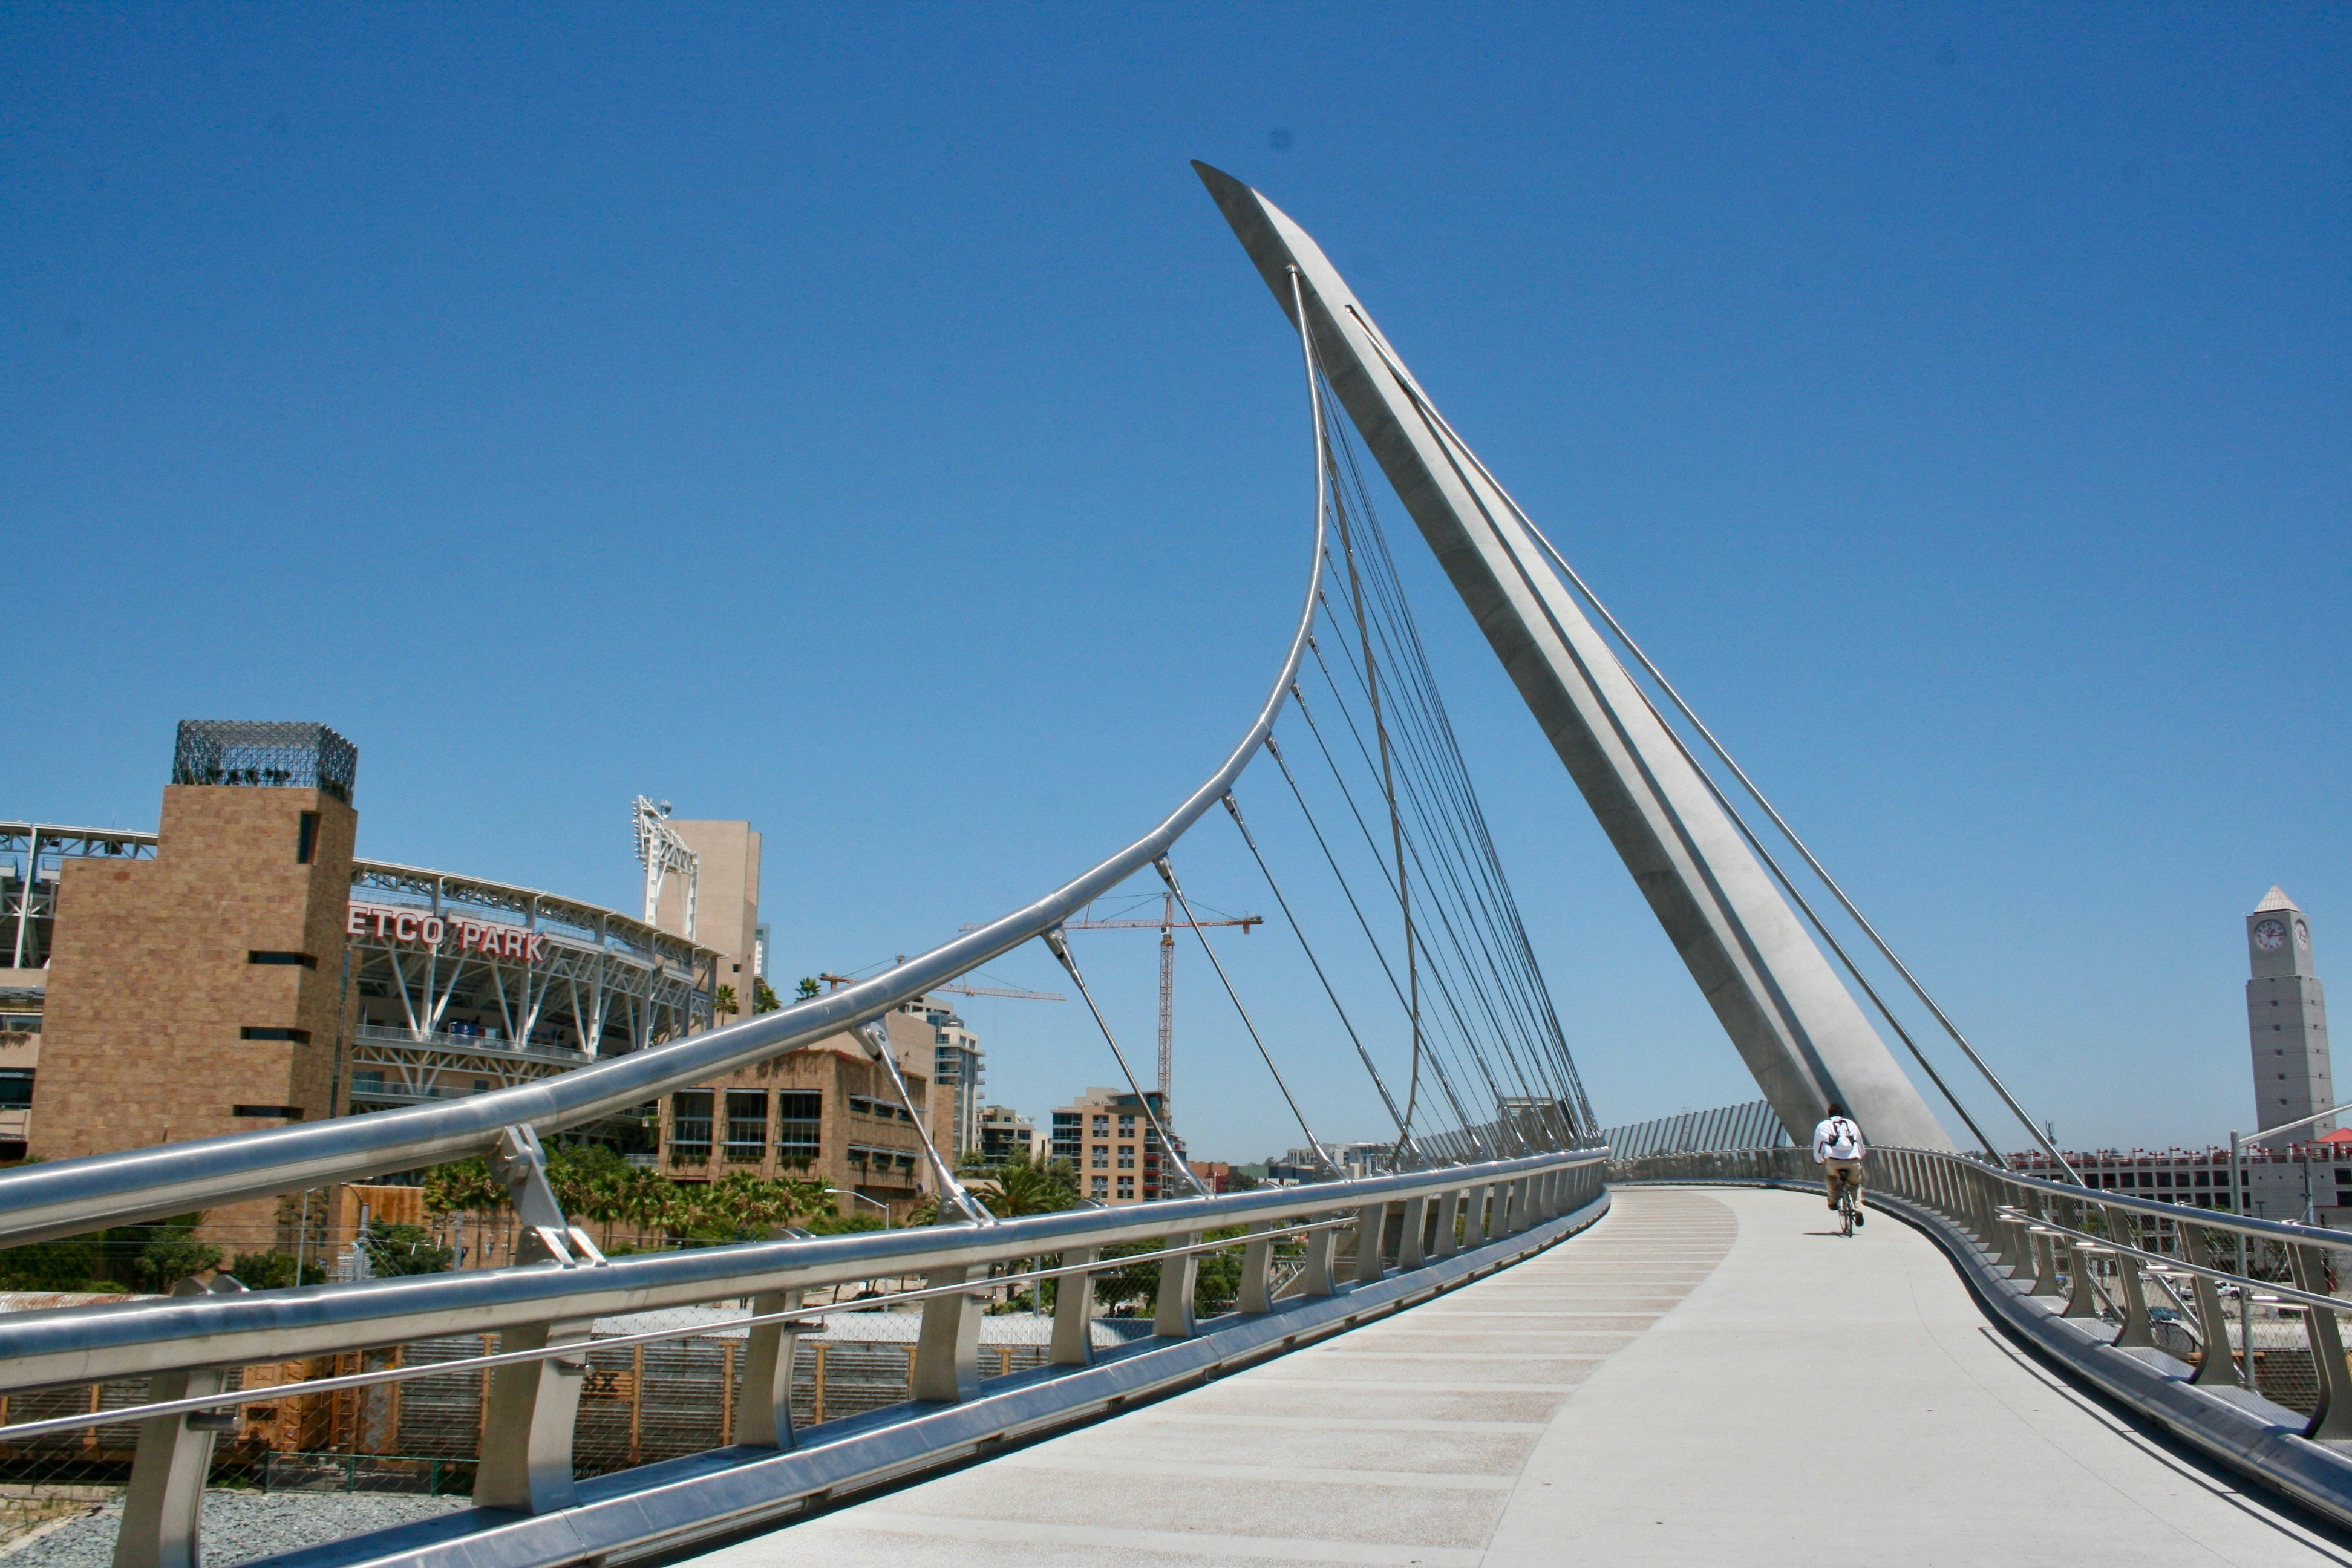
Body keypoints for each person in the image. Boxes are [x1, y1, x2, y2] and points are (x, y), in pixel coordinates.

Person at [1814, 1102, 1866, 1226]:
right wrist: (1860, 1156)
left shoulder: (1823, 1126)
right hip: (1853, 1160)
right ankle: (1858, 1209)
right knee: (1855, 1184)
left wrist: (1819, 1160)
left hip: (1833, 1160)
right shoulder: (1851, 1125)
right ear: (1842, 1114)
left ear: (1829, 1114)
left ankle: (1833, 1202)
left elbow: (1817, 1147)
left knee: (1831, 1177)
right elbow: (1860, 1144)